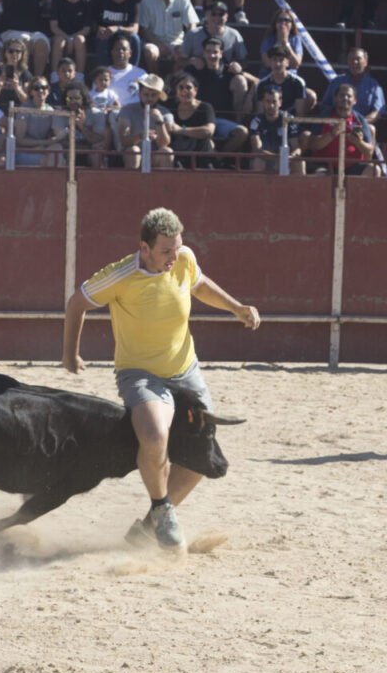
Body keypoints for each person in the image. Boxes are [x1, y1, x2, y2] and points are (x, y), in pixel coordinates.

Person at [62, 207, 259, 551]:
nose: (173, 256)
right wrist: (69, 354)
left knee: (201, 458)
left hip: (186, 371)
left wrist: (236, 307)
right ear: (144, 248)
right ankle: (162, 509)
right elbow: (76, 303)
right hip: (140, 374)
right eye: (165, 250)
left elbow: (198, 285)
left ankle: (147, 529)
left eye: (177, 247)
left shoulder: (183, 258)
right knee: (154, 437)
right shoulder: (120, 275)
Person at [304, 82, 377, 176]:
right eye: (342, 95)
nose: (345, 98)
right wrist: (332, 134)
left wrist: (358, 142)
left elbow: (369, 152)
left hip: (352, 166)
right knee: (318, 176)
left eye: (349, 96)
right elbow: (313, 145)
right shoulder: (324, 117)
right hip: (326, 166)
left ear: (355, 100)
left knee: (374, 170)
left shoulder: (360, 120)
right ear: (335, 98)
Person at [319, 47, 385, 136]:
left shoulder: (374, 85)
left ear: (366, 62)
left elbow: (377, 113)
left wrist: (359, 123)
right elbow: (325, 106)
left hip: (360, 129)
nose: (354, 62)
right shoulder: (336, 82)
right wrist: (337, 121)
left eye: (358, 59)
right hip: (335, 127)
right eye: (351, 59)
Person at [118, 72, 173, 168]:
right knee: (133, 151)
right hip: (133, 155)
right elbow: (124, 141)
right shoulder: (127, 110)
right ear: (139, 94)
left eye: (153, 95)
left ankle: (165, 183)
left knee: (167, 152)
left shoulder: (165, 113)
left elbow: (164, 144)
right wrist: (141, 136)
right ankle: (131, 182)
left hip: (155, 156)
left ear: (159, 96)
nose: (149, 98)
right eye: (146, 94)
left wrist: (160, 121)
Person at [137, 0, 198, 74]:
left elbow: (192, 25)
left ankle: (174, 81)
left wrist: (184, 45)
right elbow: (143, 29)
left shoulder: (183, 0)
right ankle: (156, 80)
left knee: (182, 53)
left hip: (177, 42)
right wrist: (159, 45)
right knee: (150, 52)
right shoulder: (146, 1)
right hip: (154, 42)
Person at [248, 83, 304, 173]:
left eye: (274, 102)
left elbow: (296, 147)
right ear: (262, 101)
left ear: (280, 102)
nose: (271, 106)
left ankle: (300, 187)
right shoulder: (256, 121)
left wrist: (292, 156)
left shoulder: (289, 119)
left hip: (284, 159)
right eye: (268, 101)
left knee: (299, 162)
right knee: (258, 161)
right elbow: (257, 149)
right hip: (265, 159)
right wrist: (277, 158)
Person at [0, 0, 50, 76]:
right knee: (24, 41)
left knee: (42, 43)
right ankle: (22, 78)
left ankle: (37, 81)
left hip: (34, 32)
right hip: (10, 30)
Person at [13, 75, 67, 166]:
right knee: (51, 161)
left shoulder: (51, 111)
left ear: (48, 90)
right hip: (24, 151)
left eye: (44, 87)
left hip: (41, 149)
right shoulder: (24, 109)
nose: (40, 91)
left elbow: (58, 136)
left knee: (58, 149)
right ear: (31, 92)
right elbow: (20, 140)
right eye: (36, 88)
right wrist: (44, 143)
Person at [167, 71, 213, 167]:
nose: (184, 91)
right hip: (177, 161)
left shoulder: (205, 107)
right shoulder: (171, 107)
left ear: (195, 90)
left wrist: (181, 129)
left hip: (201, 161)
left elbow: (208, 131)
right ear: (176, 91)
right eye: (181, 87)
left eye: (188, 87)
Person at [255, 43, 313, 117]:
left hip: (291, 123)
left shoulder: (298, 83)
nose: (277, 64)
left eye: (281, 60)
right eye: (274, 60)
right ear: (270, 62)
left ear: (287, 62)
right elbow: (260, 113)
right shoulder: (262, 84)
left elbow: (300, 114)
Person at [91, 0, 140, 69]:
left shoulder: (133, 3)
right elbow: (91, 22)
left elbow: (134, 29)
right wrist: (98, 28)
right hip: (105, 35)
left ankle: (133, 72)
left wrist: (118, 28)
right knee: (102, 39)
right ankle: (103, 72)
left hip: (123, 35)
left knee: (135, 38)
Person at [49, 0, 90, 75]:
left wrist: (72, 38)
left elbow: (86, 29)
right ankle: (55, 76)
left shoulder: (86, 2)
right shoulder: (57, 0)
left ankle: (79, 76)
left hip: (77, 36)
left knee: (80, 40)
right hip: (60, 34)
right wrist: (68, 39)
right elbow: (54, 27)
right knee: (59, 41)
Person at [0, 37, 32, 112]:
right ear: (5, 53)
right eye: (11, 51)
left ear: (22, 54)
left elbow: (26, 101)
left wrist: (17, 87)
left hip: (18, 109)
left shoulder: (26, 74)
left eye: (18, 51)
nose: (14, 54)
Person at [257, 9, 303, 78]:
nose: (283, 23)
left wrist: (286, 43)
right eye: (280, 20)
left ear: (292, 24)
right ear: (275, 24)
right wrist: (279, 42)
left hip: (290, 78)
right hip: (269, 77)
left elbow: (296, 64)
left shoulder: (296, 40)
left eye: (287, 20)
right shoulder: (268, 40)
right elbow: (267, 63)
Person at [105, 31, 145, 106]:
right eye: (117, 49)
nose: (121, 52)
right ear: (112, 52)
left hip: (134, 113)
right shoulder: (103, 74)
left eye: (124, 49)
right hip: (112, 112)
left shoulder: (141, 74)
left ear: (130, 53)